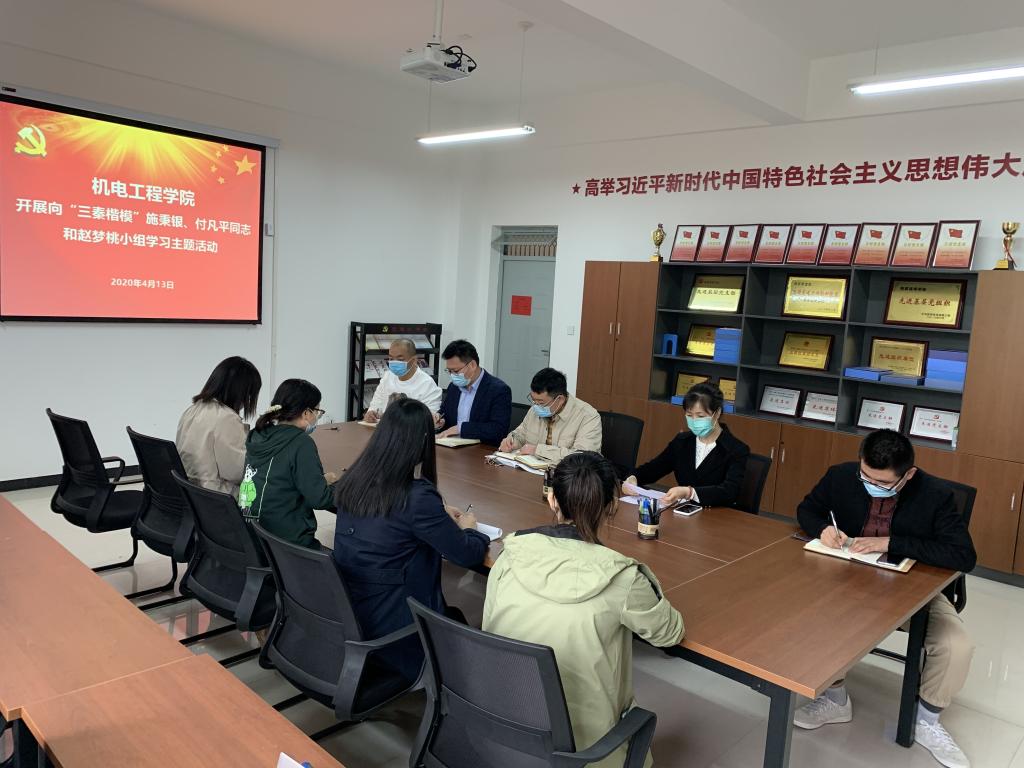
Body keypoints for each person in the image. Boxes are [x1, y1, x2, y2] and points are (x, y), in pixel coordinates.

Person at [482, 451, 684, 768]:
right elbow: (670, 634)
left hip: (503, 729)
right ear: (612, 506)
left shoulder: (509, 555)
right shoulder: (624, 578)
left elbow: (488, 629)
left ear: (552, 500)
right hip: (588, 751)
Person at [795, 429, 976, 768]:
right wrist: (823, 529)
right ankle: (835, 700)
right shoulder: (841, 476)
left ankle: (926, 722)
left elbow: (963, 556)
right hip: (846, 583)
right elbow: (807, 509)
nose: (871, 485)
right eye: (865, 476)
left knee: (956, 646)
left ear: (908, 474)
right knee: (810, 619)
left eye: (882, 482)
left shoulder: (936, 495)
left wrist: (891, 543)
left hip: (909, 590)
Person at [333, 397, 491, 683]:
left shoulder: (354, 479)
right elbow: (466, 554)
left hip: (356, 611)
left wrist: (437, 512)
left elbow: (391, 515)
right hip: (398, 629)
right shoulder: (416, 498)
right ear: (422, 442)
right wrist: (470, 529)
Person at [239, 379, 338, 549]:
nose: (317, 417)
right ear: (306, 413)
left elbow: (280, 478)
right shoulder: (301, 443)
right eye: (317, 412)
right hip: (286, 543)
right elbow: (320, 499)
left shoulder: (258, 434)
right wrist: (347, 491)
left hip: (251, 535)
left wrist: (321, 481)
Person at [625, 382, 749, 507]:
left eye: (700, 416)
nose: (694, 421)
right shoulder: (682, 442)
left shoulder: (736, 449)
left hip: (717, 515)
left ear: (716, 413)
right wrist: (633, 478)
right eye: (689, 415)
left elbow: (730, 491)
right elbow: (654, 468)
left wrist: (690, 493)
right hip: (682, 512)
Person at [176, 356, 262, 498]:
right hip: (216, 497)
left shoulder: (192, 410)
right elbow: (237, 472)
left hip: (190, 491)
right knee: (272, 492)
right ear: (241, 392)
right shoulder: (226, 418)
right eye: (249, 395)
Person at [499, 367, 602, 462]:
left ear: (560, 399)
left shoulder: (588, 416)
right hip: (532, 471)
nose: (536, 405)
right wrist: (511, 441)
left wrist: (537, 450)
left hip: (567, 475)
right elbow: (521, 434)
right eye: (533, 400)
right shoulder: (535, 409)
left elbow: (583, 458)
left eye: (541, 402)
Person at [435, 339, 512, 446]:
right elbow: (445, 413)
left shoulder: (498, 390)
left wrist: (461, 428)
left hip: (481, 450)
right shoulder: (454, 387)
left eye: (456, 371)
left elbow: (498, 430)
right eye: (449, 371)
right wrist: (440, 420)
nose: (452, 376)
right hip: (451, 447)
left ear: (472, 365)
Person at [363, 338, 442, 423]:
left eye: (400, 359)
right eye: (391, 359)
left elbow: (429, 420)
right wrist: (371, 413)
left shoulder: (427, 384)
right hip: (384, 428)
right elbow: (376, 404)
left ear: (414, 360)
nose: (394, 362)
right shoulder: (387, 377)